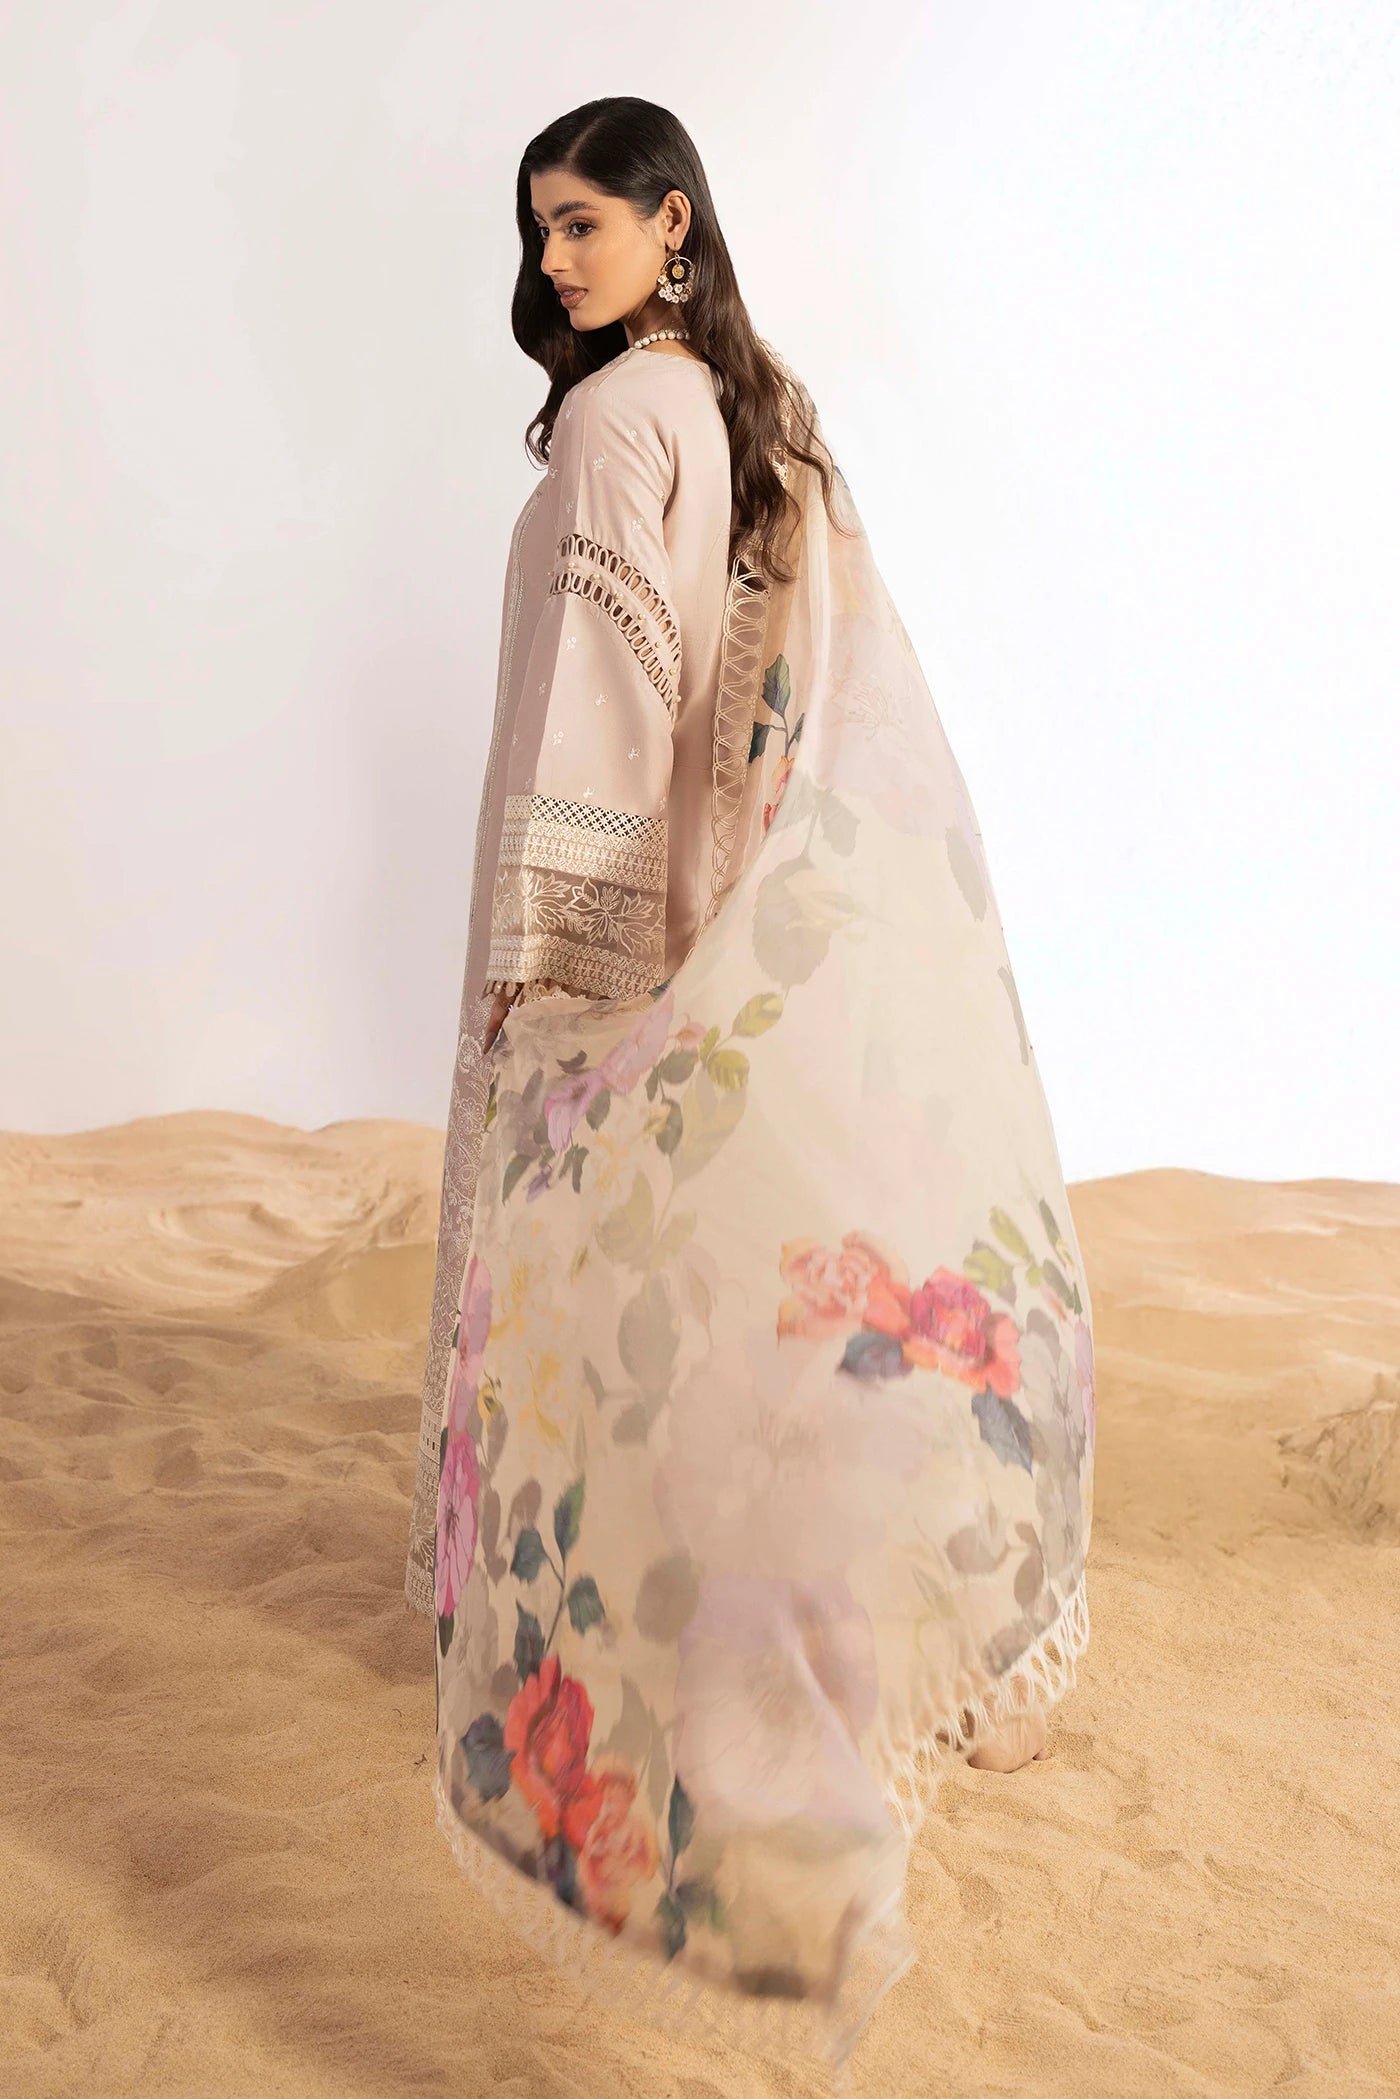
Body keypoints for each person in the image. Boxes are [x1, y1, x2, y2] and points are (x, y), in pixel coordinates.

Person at [403, 95, 1095, 2085]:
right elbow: (786, 699)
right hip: (732, 922)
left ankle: (623, 1668)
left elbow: (608, 708)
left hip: (614, 925)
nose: (553, 259)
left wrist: (556, 966)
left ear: (672, 221)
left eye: (581, 222)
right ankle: (805, 1633)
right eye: (538, 229)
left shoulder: (623, 418)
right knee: (719, 1290)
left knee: (591, 1294)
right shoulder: (752, 411)